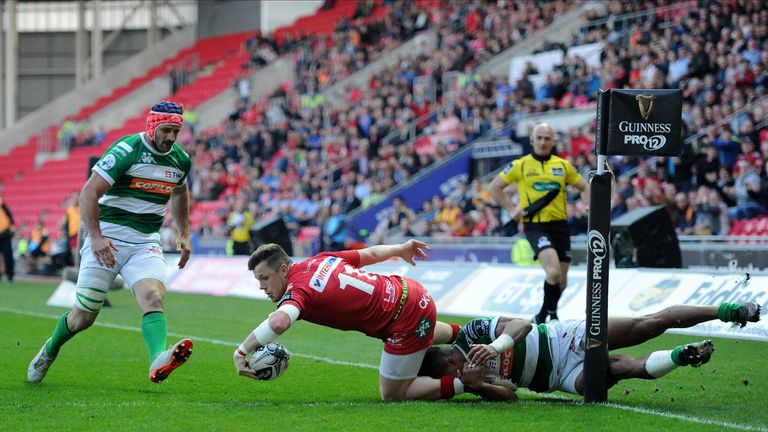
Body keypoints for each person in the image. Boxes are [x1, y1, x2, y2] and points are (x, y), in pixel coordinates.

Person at [28, 100, 194, 384]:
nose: (171, 138)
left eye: (175, 133)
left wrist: (184, 232)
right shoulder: (126, 150)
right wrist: (96, 237)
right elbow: (88, 193)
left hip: (145, 243)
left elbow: (179, 193)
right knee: (83, 317)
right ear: (153, 126)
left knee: (154, 297)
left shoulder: (180, 160)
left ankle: (157, 360)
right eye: (166, 131)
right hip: (107, 240)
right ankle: (49, 350)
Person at [232, 240, 498, 401]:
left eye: (264, 278)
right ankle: (473, 333)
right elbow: (369, 255)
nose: (261, 287)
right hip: (412, 291)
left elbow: (279, 323)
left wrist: (242, 350)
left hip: (400, 320)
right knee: (420, 330)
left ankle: (468, 383)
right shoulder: (322, 259)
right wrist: (401, 248)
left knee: (393, 394)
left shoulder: (298, 290)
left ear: (283, 269)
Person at [418, 301, 762, 400]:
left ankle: (729, 312)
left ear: (451, 359)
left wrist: (496, 346)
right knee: (615, 372)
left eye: (454, 375)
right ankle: (680, 356)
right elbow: (511, 397)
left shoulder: (475, 333)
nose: (458, 381)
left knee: (647, 325)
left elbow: (521, 324)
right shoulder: (471, 382)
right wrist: (479, 386)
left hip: (564, 338)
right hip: (560, 378)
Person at [488, 123, 589, 324]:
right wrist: (510, 208)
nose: (543, 142)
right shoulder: (520, 165)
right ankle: (551, 315)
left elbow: (584, 186)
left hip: (560, 226)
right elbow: (494, 187)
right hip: (536, 226)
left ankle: (543, 314)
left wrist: (587, 206)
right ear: (532, 140)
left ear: (553, 141)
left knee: (561, 281)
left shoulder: (563, 166)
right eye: (539, 138)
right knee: (552, 272)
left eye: (547, 138)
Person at [0, 194, 15, 284]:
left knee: (7, 255)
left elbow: (9, 214)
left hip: (4, 233)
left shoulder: (1, 203)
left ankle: (10, 276)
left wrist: (12, 225)